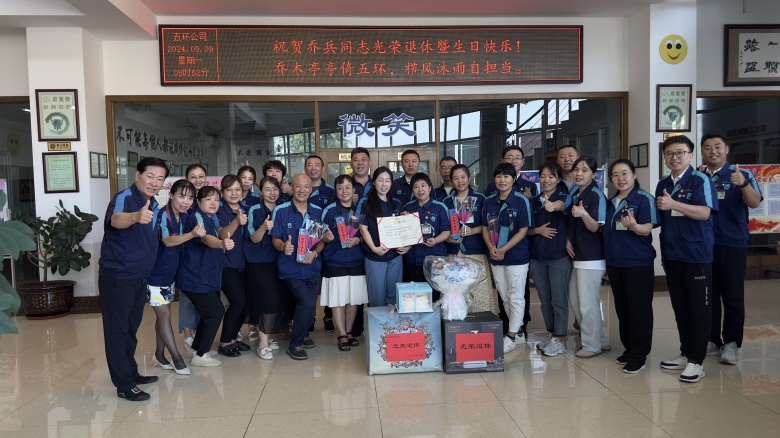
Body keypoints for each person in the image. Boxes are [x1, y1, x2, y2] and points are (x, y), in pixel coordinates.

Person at [99, 157, 168, 401]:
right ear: (137, 175)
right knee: (117, 331)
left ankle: (131, 372)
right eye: (150, 176)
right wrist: (135, 217)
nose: (154, 182)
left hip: (139, 278)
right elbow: (116, 219)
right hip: (118, 276)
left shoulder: (154, 204)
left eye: (160, 178)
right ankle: (124, 384)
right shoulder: (125, 198)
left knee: (130, 328)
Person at [655, 135, 718, 383]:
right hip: (673, 255)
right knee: (680, 309)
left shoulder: (700, 179)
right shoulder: (662, 184)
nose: (675, 157)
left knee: (698, 310)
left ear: (690, 155)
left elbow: (704, 213)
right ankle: (685, 352)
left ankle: (697, 361)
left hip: (696, 256)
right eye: (669, 153)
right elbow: (662, 221)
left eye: (680, 152)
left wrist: (674, 203)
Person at [701, 134, 763, 365]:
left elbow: (755, 202)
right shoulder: (699, 175)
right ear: (702, 151)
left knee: (733, 296)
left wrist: (743, 184)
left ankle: (731, 343)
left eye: (717, 146)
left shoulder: (741, 174)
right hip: (704, 245)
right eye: (707, 147)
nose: (713, 151)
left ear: (726, 149)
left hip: (732, 243)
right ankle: (711, 339)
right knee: (708, 296)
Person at [270, 174, 334, 360]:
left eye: (306, 187)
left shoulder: (316, 211)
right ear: (291, 188)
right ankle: (295, 344)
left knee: (310, 306)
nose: (302, 190)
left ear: (311, 190)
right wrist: (283, 246)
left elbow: (320, 240)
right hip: (290, 268)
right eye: (298, 186)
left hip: (312, 266)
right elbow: (275, 239)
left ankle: (303, 334)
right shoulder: (281, 211)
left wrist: (316, 252)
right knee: (305, 303)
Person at [604, 159, 659, 373]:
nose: (621, 178)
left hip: (637, 262)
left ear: (634, 175)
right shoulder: (611, 202)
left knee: (639, 309)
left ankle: (639, 355)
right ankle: (629, 349)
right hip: (615, 263)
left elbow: (647, 229)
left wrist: (634, 226)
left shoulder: (644, 198)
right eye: (616, 175)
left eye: (625, 173)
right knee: (623, 308)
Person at [148, 179, 204, 376]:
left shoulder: (185, 216)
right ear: (171, 195)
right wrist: (192, 235)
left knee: (162, 315)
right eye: (181, 196)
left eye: (190, 198)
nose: (185, 201)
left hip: (170, 274)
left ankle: (158, 354)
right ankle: (176, 358)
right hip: (154, 274)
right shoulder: (162, 214)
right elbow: (167, 241)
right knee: (164, 315)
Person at [178, 186, 235, 368]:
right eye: (208, 199)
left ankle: (197, 349)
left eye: (216, 200)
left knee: (209, 313)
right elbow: (205, 238)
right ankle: (201, 355)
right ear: (198, 201)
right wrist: (221, 243)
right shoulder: (196, 217)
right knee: (215, 312)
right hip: (195, 277)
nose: (213, 203)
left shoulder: (210, 218)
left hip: (206, 277)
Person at [484, 145, 537, 337]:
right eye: (499, 176)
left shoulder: (521, 200)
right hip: (496, 256)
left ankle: (513, 334)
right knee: (504, 296)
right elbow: (485, 227)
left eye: (506, 177)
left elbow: (523, 230)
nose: (502, 180)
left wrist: (504, 249)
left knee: (516, 296)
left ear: (514, 179)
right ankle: (516, 330)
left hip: (516, 256)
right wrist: (492, 248)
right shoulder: (489, 201)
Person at [566, 156, 610, 358]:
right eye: (576, 169)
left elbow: (595, 227)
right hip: (578, 256)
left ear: (593, 174)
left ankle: (592, 345)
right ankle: (600, 339)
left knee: (587, 303)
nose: (579, 173)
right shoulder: (575, 192)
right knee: (576, 300)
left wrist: (583, 214)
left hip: (591, 257)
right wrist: (567, 239)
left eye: (584, 170)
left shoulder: (596, 195)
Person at [527, 162, 571, 357]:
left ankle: (560, 338)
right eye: (543, 176)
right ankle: (551, 334)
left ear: (558, 179)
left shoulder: (564, 197)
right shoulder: (533, 201)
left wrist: (553, 206)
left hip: (558, 257)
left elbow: (562, 206)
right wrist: (538, 230)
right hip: (537, 257)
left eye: (551, 177)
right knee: (544, 299)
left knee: (558, 298)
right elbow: (526, 229)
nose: (546, 180)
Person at [321, 175, 369, 351]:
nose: (344, 191)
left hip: (356, 260)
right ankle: (341, 334)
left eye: (347, 187)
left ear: (353, 190)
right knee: (338, 299)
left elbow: (368, 234)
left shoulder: (359, 210)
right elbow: (318, 234)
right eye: (340, 188)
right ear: (336, 191)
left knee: (353, 299)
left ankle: (349, 332)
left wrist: (358, 240)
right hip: (335, 260)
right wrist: (325, 237)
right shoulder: (329, 210)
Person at [443, 164, 498, 314]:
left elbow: (490, 225)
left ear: (469, 178)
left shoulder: (481, 199)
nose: (460, 181)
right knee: (455, 292)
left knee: (479, 291)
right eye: (456, 178)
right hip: (454, 252)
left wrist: (472, 230)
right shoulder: (447, 202)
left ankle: (483, 324)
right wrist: (449, 238)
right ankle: (456, 324)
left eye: (463, 177)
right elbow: (443, 228)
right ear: (451, 180)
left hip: (476, 251)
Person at [245, 176, 286, 360]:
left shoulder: (283, 208)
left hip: (279, 260)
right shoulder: (254, 209)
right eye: (267, 189)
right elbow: (254, 238)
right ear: (261, 191)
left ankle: (269, 335)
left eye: (275, 189)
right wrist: (264, 226)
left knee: (276, 300)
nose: (272, 193)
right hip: (259, 262)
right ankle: (263, 343)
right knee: (267, 300)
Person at [357, 167, 409, 307]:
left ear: (391, 183)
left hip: (395, 256)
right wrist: (374, 249)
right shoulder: (365, 202)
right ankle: (377, 322)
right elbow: (361, 228)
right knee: (376, 297)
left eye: (387, 180)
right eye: (380, 180)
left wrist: (405, 220)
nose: (384, 184)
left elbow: (403, 228)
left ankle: (392, 322)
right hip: (374, 256)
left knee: (394, 296)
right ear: (374, 182)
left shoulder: (397, 203)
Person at [214, 175, 251, 357]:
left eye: (237, 189)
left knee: (244, 304)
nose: (234, 193)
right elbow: (222, 234)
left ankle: (233, 339)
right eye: (229, 190)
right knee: (237, 302)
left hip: (243, 263)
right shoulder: (219, 210)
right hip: (226, 263)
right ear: (223, 192)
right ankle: (224, 342)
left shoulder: (245, 208)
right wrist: (236, 221)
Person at [401, 173, 451, 301]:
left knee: (434, 297)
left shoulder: (440, 207)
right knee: (415, 298)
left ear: (430, 187)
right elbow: (403, 233)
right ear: (412, 190)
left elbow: (447, 231)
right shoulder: (407, 208)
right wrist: (402, 220)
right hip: (413, 260)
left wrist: (436, 240)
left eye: (423, 185)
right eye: (416, 187)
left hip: (435, 260)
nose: (420, 190)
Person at [179, 163, 208, 354]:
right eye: (193, 177)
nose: (197, 180)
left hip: (204, 255)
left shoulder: (207, 199)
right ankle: (188, 335)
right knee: (187, 296)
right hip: (185, 254)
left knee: (203, 297)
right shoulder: (183, 203)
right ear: (187, 179)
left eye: (201, 176)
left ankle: (199, 336)